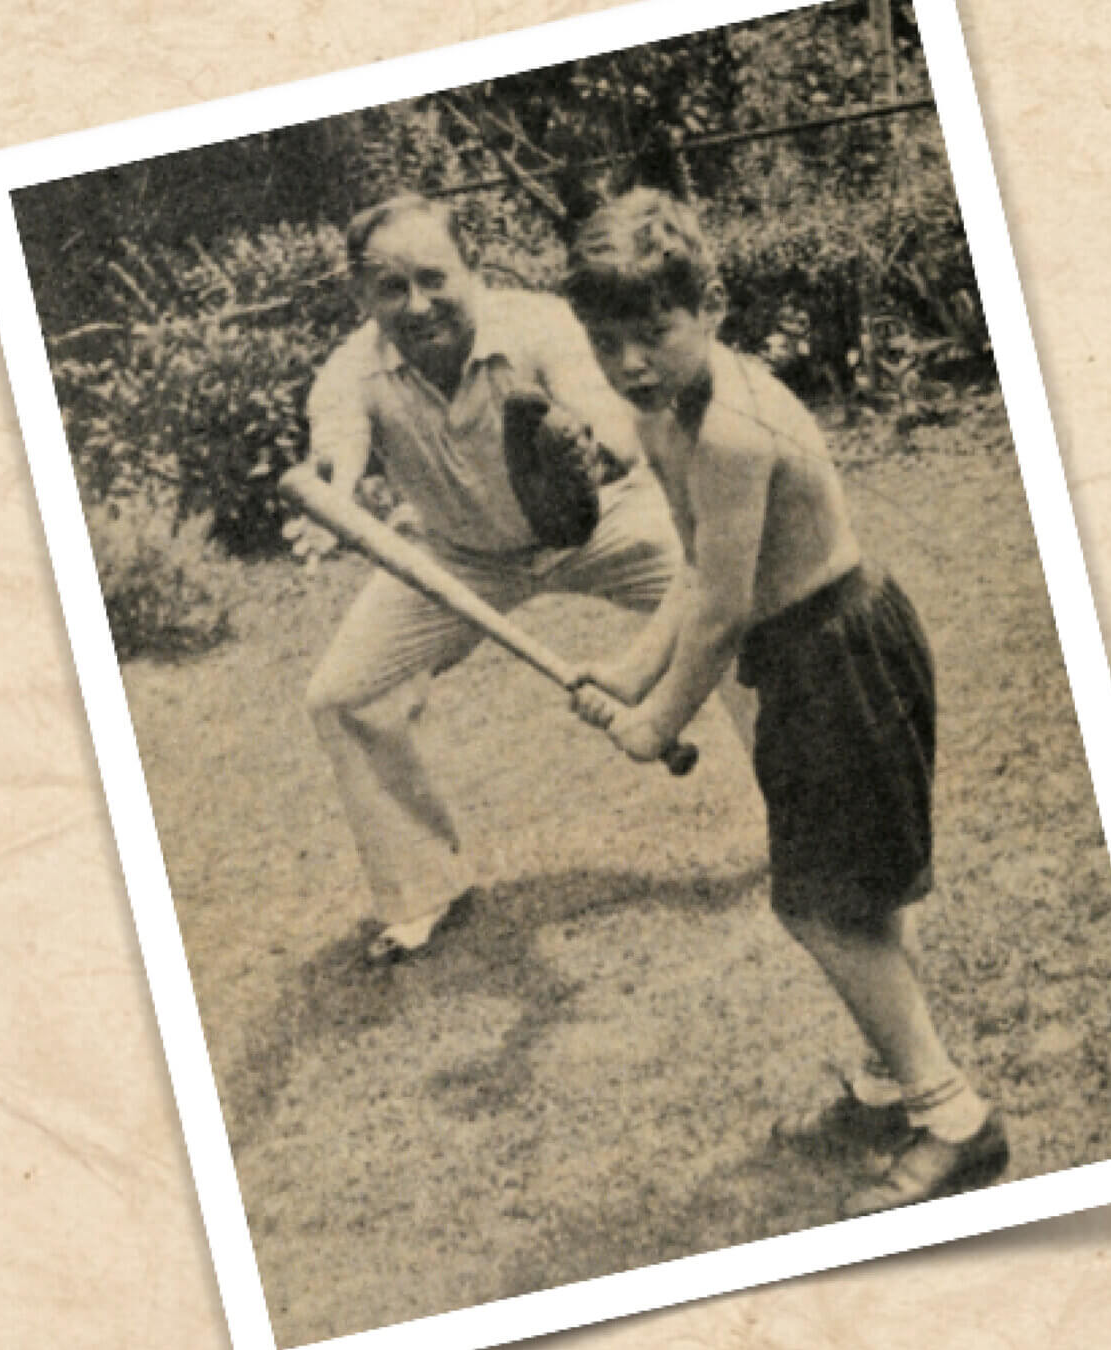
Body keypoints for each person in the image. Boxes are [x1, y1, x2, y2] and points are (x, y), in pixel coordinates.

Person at [561, 188, 1008, 1217]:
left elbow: (720, 612)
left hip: (839, 654)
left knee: (824, 905)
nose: (629, 361)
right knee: (847, 893)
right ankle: (895, 1084)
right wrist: (631, 669)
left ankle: (956, 1121)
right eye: (606, 339)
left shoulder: (729, 429)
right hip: (803, 660)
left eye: (652, 331)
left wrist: (658, 720)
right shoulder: (664, 413)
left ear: (710, 306)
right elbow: (695, 567)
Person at [299, 193, 752, 967]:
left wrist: (597, 448)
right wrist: (332, 497)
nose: (417, 304)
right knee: (343, 695)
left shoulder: (540, 324)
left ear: (471, 266)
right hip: (459, 553)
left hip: (603, 522)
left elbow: (608, 417)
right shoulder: (351, 371)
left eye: (434, 278)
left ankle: (817, 812)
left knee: (740, 606)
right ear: (360, 295)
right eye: (391, 288)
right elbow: (335, 446)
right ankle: (423, 892)